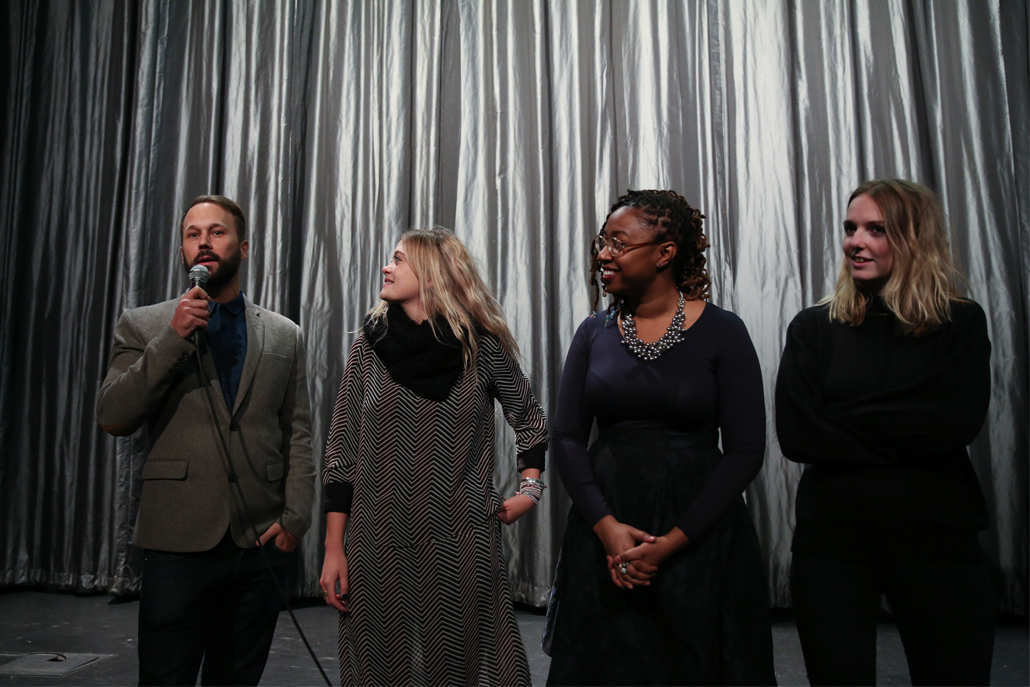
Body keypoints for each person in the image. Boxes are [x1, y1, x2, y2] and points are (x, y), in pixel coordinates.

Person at [543, 189, 776, 685]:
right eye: (602, 242)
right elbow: (565, 436)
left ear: (665, 252)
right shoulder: (593, 333)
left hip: (698, 534)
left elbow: (744, 450)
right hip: (606, 533)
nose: (604, 254)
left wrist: (670, 543)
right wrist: (606, 527)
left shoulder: (724, 332)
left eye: (619, 243)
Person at [775, 179, 995, 686]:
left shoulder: (960, 322)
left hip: (937, 537)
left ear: (914, 238)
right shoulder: (813, 328)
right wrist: (907, 419)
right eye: (851, 228)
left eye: (877, 229)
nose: (856, 241)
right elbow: (798, 436)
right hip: (832, 541)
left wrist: (844, 418)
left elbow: (954, 424)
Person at [97, 195, 315, 686]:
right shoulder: (144, 324)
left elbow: (297, 432)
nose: (204, 243)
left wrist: (295, 519)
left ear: (243, 246)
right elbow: (114, 415)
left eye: (216, 232)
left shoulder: (284, 335)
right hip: (178, 541)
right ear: (182, 251)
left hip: (260, 542)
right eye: (193, 234)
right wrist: (172, 340)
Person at [319, 228, 549, 686]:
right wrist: (332, 548)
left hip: (462, 537)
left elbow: (530, 420)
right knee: (380, 670)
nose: (387, 266)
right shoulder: (369, 345)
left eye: (399, 259)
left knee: (471, 669)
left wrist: (530, 488)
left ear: (433, 274)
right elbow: (341, 451)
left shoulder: (481, 347)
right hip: (375, 537)